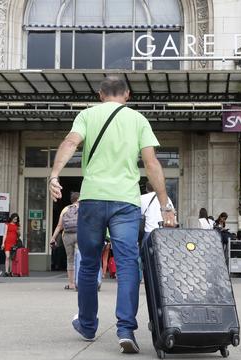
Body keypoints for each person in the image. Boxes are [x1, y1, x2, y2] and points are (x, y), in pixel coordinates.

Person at [49, 76, 176, 354]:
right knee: (129, 264)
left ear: (100, 94)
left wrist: (55, 174)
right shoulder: (138, 120)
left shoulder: (87, 115)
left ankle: (87, 324)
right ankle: (125, 329)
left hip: (92, 199)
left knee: (90, 263)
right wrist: (165, 204)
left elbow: (70, 142)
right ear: (127, 95)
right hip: (125, 202)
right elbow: (151, 163)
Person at [50, 192, 80, 289]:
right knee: (80, 258)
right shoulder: (83, 208)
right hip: (80, 235)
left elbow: (59, 226)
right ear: (79, 199)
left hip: (67, 236)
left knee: (70, 259)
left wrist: (53, 237)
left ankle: (71, 283)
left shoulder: (65, 209)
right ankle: (79, 282)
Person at [1, 213, 20, 277]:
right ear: (12, 218)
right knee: (7, 256)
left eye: (16, 219)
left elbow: (18, 235)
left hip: (14, 243)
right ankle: (6, 271)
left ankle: (11, 272)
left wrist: (18, 232)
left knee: (12, 258)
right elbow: (5, 234)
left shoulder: (17, 226)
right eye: (14, 219)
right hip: (7, 242)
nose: (15, 220)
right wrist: (3, 243)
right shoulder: (7, 225)